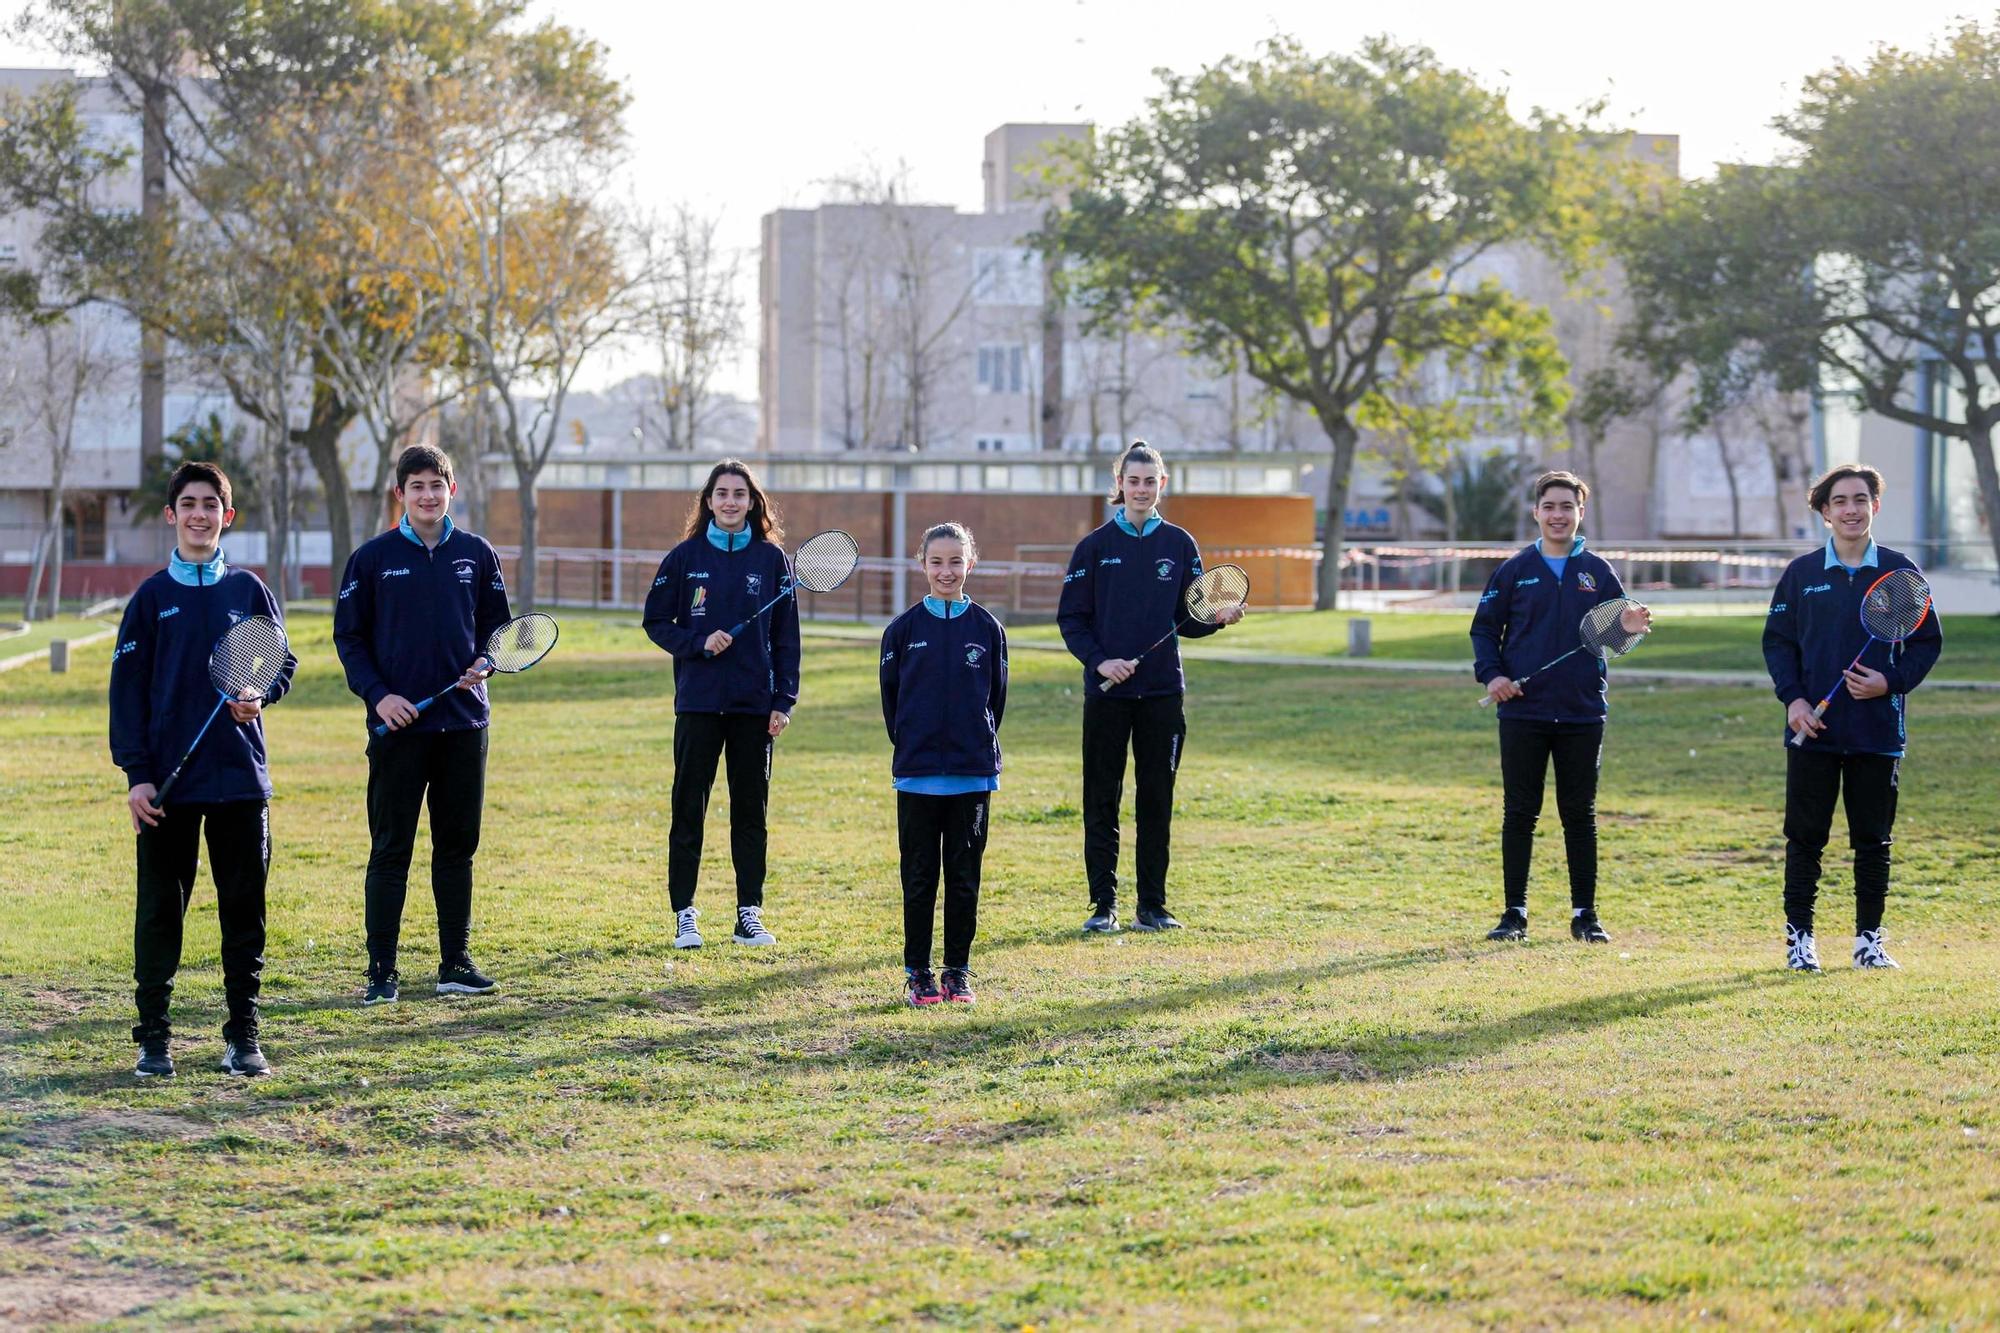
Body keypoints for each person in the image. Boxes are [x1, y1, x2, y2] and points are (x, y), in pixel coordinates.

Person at [110, 461, 297, 1078]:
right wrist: (137, 775)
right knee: (160, 913)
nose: (199, 514)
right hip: (167, 789)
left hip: (241, 782)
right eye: (188, 503)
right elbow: (127, 694)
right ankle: (153, 1040)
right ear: (172, 515)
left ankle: (243, 1035)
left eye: (210, 504)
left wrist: (260, 694)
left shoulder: (250, 591)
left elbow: (280, 663)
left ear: (227, 515)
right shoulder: (150, 600)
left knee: (245, 913)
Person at [333, 445, 512, 1005]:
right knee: (391, 850)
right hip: (399, 732)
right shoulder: (371, 559)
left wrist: (486, 662)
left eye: (437, 484)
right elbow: (350, 639)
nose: (428, 495)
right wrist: (381, 697)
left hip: (464, 726)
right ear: (400, 495)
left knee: (457, 849)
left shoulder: (477, 555)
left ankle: (454, 964)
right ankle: (381, 972)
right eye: (417, 486)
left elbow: (498, 632)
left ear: (452, 490)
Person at [1057, 441, 1244, 934]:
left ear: (1162, 485)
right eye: (1132, 481)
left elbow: (1189, 619)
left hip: (1163, 694)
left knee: (1156, 798)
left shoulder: (1180, 544)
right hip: (1107, 696)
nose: (1140, 490)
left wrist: (1218, 618)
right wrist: (1102, 662)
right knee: (1102, 798)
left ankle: (1152, 907)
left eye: (1149, 481)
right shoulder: (1093, 547)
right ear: (1119, 484)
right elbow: (1071, 619)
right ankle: (1103, 906)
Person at [1762, 464, 1942, 972]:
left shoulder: (1900, 571)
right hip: (1812, 731)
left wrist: (1891, 682)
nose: (1851, 509)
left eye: (1860, 499)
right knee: (1805, 840)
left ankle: (1869, 943)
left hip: (1876, 732)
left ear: (1874, 507)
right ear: (1824, 512)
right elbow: (1778, 643)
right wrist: (1794, 701)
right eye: (1839, 501)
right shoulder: (1800, 574)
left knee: (1873, 841)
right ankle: (1800, 943)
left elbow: (1927, 643)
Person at [1470, 470, 1650, 945]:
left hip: (1581, 711)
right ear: (1536, 512)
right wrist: (1494, 675)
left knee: (1579, 813)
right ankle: (1514, 914)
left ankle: (1585, 916)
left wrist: (1632, 625)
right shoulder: (1513, 570)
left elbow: (1614, 633)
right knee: (1520, 812)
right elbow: (1485, 630)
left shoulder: (1598, 571)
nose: (1557, 515)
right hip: (1523, 712)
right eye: (1549, 506)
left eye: (1567, 507)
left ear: (1580, 513)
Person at [642, 459, 801, 950]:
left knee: (750, 812)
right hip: (698, 705)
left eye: (739, 494)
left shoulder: (772, 561)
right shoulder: (683, 558)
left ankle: (747, 913)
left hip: (755, 708)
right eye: (721, 493)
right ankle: (685, 914)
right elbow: (656, 622)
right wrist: (696, 642)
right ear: (708, 501)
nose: (730, 501)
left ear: (753, 502)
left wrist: (784, 700)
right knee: (688, 808)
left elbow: (786, 640)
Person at [879, 522, 1008, 1005]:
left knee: (963, 877)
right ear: (922, 564)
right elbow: (892, 703)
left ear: (970, 563)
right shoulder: (902, 630)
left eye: (956, 561)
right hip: (917, 775)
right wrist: (915, 744)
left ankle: (957, 970)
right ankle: (918, 973)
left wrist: (974, 744)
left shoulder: (988, 630)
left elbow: (996, 699)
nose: (947, 570)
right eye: (937, 561)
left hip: (972, 775)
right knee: (918, 877)